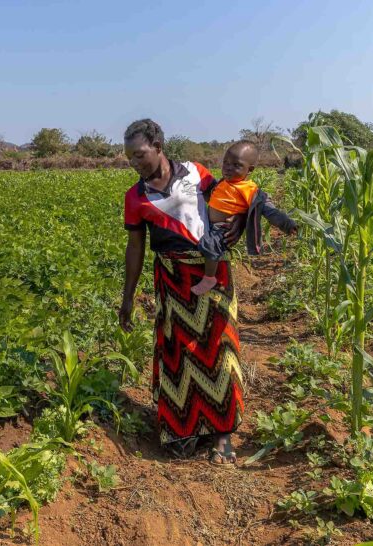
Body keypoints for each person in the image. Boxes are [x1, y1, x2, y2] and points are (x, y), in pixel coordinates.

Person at [118, 119, 246, 466]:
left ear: (159, 145)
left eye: (140, 155)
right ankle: (185, 426)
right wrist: (127, 297)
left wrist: (237, 224)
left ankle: (222, 434)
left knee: (218, 348)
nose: (135, 163)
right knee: (179, 351)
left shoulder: (196, 173)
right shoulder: (136, 197)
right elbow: (135, 248)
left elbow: (229, 199)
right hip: (172, 277)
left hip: (211, 271)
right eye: (130, 158)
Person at [191, 141, 297, 295]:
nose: (228, 167)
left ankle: (209, 278)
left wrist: (287, 224)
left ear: (250, 169)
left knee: (210, 245)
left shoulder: (249, 189)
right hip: (211, 225)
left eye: (236, 165)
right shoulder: (223, 182)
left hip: (224, 229)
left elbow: (269, 210)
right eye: (226, 163)